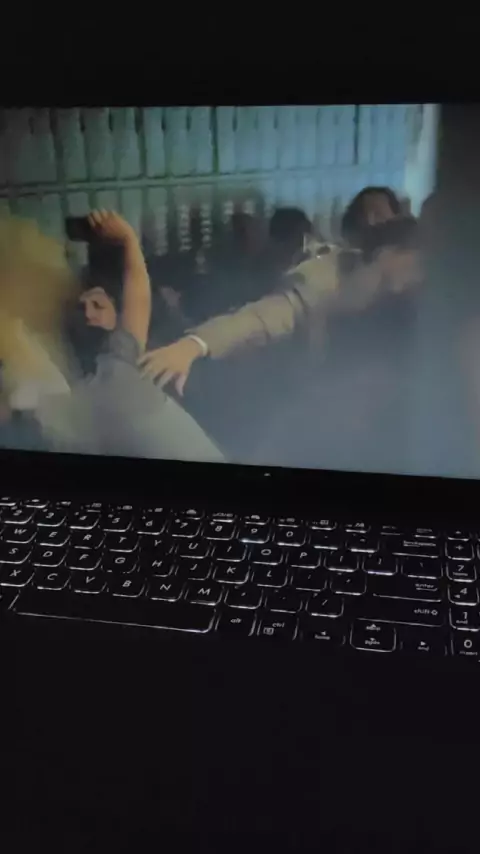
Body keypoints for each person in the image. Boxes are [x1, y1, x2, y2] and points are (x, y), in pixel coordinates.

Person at [138, 216, 422, 396]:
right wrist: (193, 345)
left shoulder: (413, 303)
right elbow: (260, 318)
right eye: (421, 261)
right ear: (387, 252)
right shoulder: (320, 280)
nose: (424, 275)